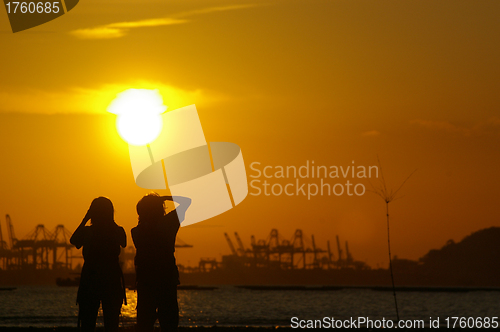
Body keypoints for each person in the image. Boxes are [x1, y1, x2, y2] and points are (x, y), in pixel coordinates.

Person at [131, 193, 191, 332]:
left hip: (146, 282)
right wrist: (165, 198)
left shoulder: (136, 231)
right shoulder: (169, 223)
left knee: (144, 324)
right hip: (167, 280)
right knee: (169, 323)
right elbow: (187, 201)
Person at [70, 197, 127, 332]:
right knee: (111, 323)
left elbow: (74, 240)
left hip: (91, 280)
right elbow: (123, 242)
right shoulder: (117, 230)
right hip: (111, 280)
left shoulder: (88, 232)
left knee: (88, 322)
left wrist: (85, 218)